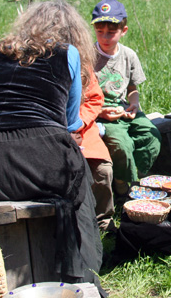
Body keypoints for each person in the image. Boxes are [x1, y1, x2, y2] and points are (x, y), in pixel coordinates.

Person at [0, 0, 107, 296]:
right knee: (77, 176)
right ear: (73, 33)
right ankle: (82, 276)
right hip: (33, 157)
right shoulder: (68, 54)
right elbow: (70, 123)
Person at [91, 0, 161, 195]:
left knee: (151, 135)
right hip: (100, 112)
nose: (105, 37)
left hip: (123, 108)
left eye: (111, 33)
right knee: (122, 143)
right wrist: (100, 112)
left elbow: (132, 87)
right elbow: (81, 96)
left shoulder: (128, 55)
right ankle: (122, 186)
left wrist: (134, 104)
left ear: (124, 31)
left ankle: (135, 174)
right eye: (99, 32)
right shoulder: (88, 55)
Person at [74, 71, 115, 233]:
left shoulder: (82, 66)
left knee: (102, 170)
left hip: (83, 128)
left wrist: (79, 122)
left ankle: (103, 221)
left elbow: (94, 98)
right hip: (51, 130)